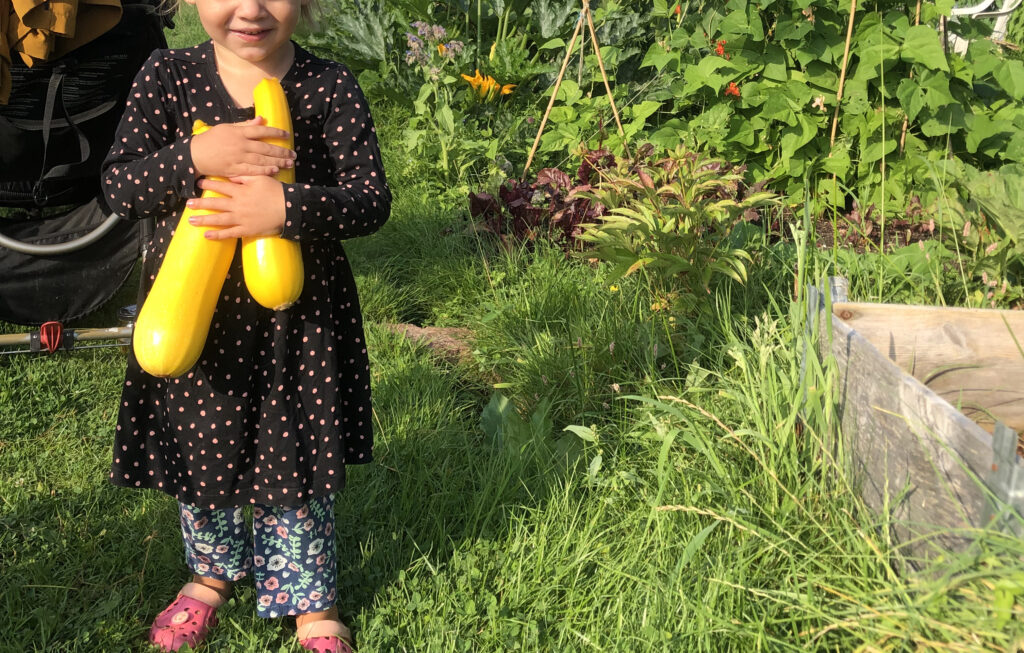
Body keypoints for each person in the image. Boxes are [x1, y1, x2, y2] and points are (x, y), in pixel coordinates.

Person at [100, 0, 391, 647]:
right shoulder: (168, 77)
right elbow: (120, 186)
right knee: (203, 445)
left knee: (296, 455)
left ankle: (310, 600)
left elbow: (371, 198)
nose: (251, 8)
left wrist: (285, 205)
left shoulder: (328, 86)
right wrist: (196, 154)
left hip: (299, 323)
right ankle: (210, 573)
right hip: (198, 320)